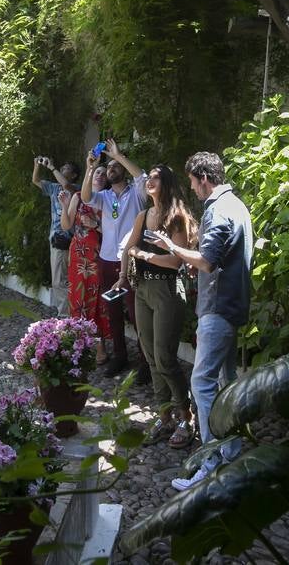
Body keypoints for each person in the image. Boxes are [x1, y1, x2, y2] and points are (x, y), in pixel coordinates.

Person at [151, 151, 253, 490]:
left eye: (194, 183)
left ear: (204, 179)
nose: (193, 190)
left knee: (203, 383)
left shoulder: (219, 210)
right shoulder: (237, 205)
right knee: (226, 381)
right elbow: (219, 258)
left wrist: (171, 246)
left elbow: (208, 262)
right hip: (232, 306)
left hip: (218, 309)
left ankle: (209, 463)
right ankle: (232, 451)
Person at [116, 165, 197, 447]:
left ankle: (186, 418)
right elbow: (129, 248)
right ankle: (164, 418)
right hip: (142, 290)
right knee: (150, 356)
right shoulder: (143, 215)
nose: (149, 181)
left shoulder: (177, 217)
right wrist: (122, 277)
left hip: (166, 290)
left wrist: (144, 256)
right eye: (147, 177)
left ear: (167, 182)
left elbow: (176, 262)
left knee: (165, 357)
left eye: (155, 177)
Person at [81, 138, 150, 380]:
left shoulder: (137, 194)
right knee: (113, 312)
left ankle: (145, 362)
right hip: (107, 260)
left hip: (131, 260)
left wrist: (118, 156)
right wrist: (90, 168)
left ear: (122, 170)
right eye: (108, 167)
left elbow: (143, 177)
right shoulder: (105, 197)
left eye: (114, 167)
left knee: (136, 312)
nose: (110, 170)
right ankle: (120, 356)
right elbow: (86, 196)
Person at [59, 164, 111, 364]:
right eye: (97, 172)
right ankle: (78, 343)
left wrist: (96, 225)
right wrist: (64, 206)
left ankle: (100, 346)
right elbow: (66, 225)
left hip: (99, 254)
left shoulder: (107, 200)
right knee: (77, 296)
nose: (100, 176)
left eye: (103, 175)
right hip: (78, 255)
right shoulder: (78, 196)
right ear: (90, 174)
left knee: (97, 298)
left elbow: (116, 234)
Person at [32, 155, 81, 317]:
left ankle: (65, 316)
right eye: (62, 167)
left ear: (74, 175)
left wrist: (51, 167)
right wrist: (37, 165)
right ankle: (68, 313)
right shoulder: (53, 187)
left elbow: (66, 184)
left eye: (66, 168)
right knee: (60, 278)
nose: (62, 169)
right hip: (57, 238)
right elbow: (36, 180)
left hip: (70, 238)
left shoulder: (76, 188)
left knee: (61, 279)